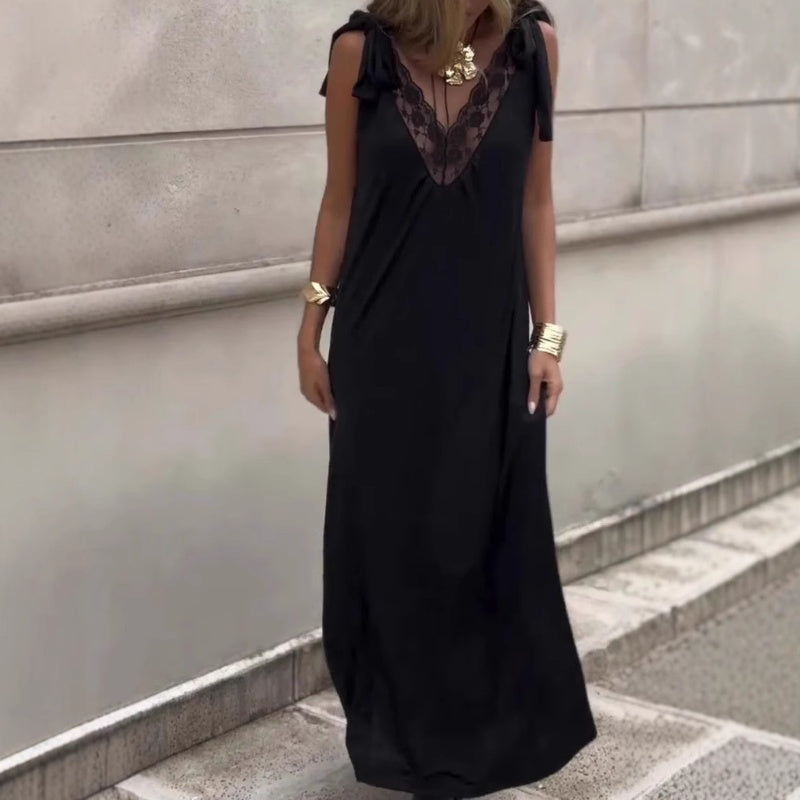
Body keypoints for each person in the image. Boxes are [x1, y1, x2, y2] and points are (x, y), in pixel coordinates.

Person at [297, 0, 597, 797]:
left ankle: (473, 737)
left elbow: (536, 201)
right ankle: (403, 738)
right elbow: (339, 201)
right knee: (388, 543)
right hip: (380, 347)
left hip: (487, 349)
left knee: (481, 532)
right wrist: (310, 328)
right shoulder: (362, 53)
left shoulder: (532, 47)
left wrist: (549, 337)